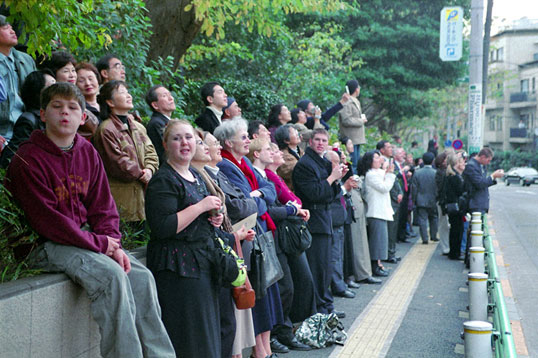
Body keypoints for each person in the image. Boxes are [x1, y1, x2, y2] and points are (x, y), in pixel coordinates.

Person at [5, 83, 175, 358]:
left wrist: (115, 244)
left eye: (73, 108)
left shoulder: (86, 151)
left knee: (141, 277)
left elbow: (103, 207)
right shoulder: (27, 158)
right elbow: (48, 222)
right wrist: (100, 244)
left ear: (83, 118)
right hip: (42, 243)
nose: (65, 113)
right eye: (57, 107)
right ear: (42, 114)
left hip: (82, 238)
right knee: (111, 276)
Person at [145, 119, 236, 358]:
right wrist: (201, 206)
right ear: (165, 144)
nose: (184, 143)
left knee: (208, 334)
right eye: (177, 138)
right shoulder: (163, 179)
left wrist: (212, 218)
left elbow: (198, 217)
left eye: (189, 138)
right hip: (178, 269)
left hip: (203, 263)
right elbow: (163, 226)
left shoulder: (195, 174)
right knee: (191, 338)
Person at [214, 118, 284, 358]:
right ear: (227, 142)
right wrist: (258, 198)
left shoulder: (242, 162)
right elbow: (244, 207)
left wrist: (257, 196)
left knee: (265, 291)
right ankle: (259, 350)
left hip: (257, 231)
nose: (248, 140)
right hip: (246, 234)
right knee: (256, 292)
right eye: (243, 137)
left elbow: (270, 193)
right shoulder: (226, 165)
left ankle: (264, 348)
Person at [248, 139, 313, 353]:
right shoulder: (256, 175)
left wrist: (288, 207)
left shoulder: (267, 176)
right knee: (280, 288)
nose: (276, 153)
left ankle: (282, 331)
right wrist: (291, 210)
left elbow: (278, 199)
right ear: (257, 154)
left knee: (287, 287)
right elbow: (264, 208)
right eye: (269, 149)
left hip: (277, 235)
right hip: (267, 236)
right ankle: (277, 334)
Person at [203, 131, 258, 358]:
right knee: (227, 319)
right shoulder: (204, 175)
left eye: (215, 143)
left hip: (230, 243)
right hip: (220, 250)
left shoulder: (217, 173)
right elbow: (238, 206)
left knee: (234, 316)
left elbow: (245, 201)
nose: (214, 147)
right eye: (209, 143)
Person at [292, 128, 347, 317]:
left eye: (324, 140)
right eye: (317, 140)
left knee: (325, 267)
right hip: (313, 221)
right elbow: (314, 193)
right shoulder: (305, 164)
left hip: (324, 219)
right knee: (317, 268)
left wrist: (335, 179)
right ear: (310, 141)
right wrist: (332, 178)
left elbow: (332, 194)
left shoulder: (323, 162)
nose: (321, 143)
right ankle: (319, 308)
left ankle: (326, 306)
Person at [93, 80, 159, 222]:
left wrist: (149, 170)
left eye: (127, 92)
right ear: (110, 102)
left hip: (143, 198)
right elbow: (117, 163)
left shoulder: (138, 126)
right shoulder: (106, 130)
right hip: (122, 200)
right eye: (122, 92)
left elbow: (151, 152)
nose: (129, 95)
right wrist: (142, 173)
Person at [0, 70, 55, 168]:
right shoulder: (28, 120)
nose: (57, 90)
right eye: (51, 87)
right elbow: (13, 157)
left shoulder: (57, 115)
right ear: (38, 92)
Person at [324, 150, 356, 299]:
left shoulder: (336, 177)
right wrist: (344, 187)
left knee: (340, 255)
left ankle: (341, 282)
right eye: (336, 162)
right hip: (333, 221)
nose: (339, 165)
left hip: (340, 220)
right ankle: (338, 286)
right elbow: (330, 195)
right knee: (335, 256)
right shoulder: (328, 177)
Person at [0, 15, 36, 142]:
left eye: (12, 27)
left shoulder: (26, 60)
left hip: (26, 129)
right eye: (5, 27)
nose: (12, 31)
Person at [359, 150, 395, 277]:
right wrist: (390, 174)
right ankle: (375, 265)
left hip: (381, 211)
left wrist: (387, 171)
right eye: (376, 158)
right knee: (377, 241)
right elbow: (384, 187)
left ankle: (378, 264)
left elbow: (383, 175)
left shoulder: (377, 173)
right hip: (375, 212)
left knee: (381, 240)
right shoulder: (370, 175)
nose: (380, 160)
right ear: (370, 161)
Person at [377, 140, 402, 264]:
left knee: (393, 229)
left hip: (395, 198)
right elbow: (386, 182)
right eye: (388, 147)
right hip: (389, 200)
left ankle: (391, 252)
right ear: (382, 150)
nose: (391, 149)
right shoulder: (382, 162)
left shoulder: (391, 162)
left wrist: (400, 192)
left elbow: (395, 181)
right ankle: (388, 253)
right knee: (389, 229)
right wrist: (395, 195)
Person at [462, 147, 504, 214]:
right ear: (482, 157)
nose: (488, 163)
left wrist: (493, 178)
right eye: (488, 160)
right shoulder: (471, 166)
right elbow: (479, 183)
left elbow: (484, 182)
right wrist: (493, 176)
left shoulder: (481, 165)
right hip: (475, 203)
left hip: (480, 203)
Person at [338, 80, 367, 172]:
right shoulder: (347, 102)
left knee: (356, 163)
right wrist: (360, 121)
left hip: (356, 138)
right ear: (356, 89)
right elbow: (346, 120)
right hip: (350, 139)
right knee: (352, 164)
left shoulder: (355, 101)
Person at [411, 152, 439, 244]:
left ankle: (424, 238)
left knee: (422, 219)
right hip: (433, 199)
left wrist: (414, 199)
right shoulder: (435, 173)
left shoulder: (417, 173)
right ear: (433, 161)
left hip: (421, 199)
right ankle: (434, 236)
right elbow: (438, 187)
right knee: (434, 218)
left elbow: (414, 188)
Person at [145, 85, 176, 164]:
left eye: (170, 95)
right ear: (155, 105)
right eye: (164, 96)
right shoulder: (156, 124)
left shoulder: (165, 121)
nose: (171, 98)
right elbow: (166, 152)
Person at [444, 153, 466, 260]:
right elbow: (461, 191)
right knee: (457, 230)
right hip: (456, 207)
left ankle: (454, 252)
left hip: (452, 206)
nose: (464, 164)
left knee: (455, 229)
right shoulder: (455, 177)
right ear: (456, 164)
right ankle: (455, 252)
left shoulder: (451, 175)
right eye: (462, 162)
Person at [75, 62, 101, 139]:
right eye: (81, 81)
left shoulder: (108, 104)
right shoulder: (78, 109)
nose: (88, 83)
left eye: (90, 79)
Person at [274, 124, 302, 191]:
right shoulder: (284, 157)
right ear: (286, 140)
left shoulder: (300, 150)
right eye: (294, 133)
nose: (297, 134)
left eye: (296, 132)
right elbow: (300, 171)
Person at [434, 150, 452, 255]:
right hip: (442, 202)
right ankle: (445, 247)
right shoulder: (441, 173)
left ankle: (447, 246)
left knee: (445, 225)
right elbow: (440, 189)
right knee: (443, 225)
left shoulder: (444, 172)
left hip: (443, 202)